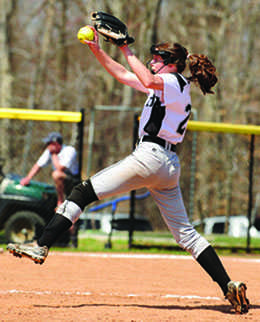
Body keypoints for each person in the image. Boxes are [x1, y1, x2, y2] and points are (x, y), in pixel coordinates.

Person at [7, 28, 249, 314]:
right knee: (186, 235)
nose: (151, 63)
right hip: (167, 166)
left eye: (156, 59)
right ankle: (228, 285)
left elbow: (146, 77)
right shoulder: (170, 85)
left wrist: (124, 47)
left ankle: (42, 244)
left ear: (170, 62)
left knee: (82, 192)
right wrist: (97, 50)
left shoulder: (171, 80)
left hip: (150, 156)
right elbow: (124, 75)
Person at [20, 132, 80, 208]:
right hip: (63, 179)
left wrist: (54, 155)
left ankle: (60, 201)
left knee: (56, 174)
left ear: (56, 144)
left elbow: (60, 168)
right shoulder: (49, 152)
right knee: (56, 174)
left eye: (49, 143)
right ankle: (60, 200)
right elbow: (38, 165)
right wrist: (28, 178)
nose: (47, 146)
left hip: (73, 180)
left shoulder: (69, 150)